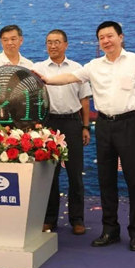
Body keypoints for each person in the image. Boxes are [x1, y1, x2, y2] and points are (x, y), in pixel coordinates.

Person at [39, 21, 135, 252]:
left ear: (120, 37)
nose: (106, 41)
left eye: (110, 36)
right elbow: (69, 77)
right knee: (106, 180)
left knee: (134, 181)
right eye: (101, 37)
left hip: (130, 124)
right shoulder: (93, 66)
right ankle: (110, 230)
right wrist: (47, 80)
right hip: (103, 125)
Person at [33, 29, 91, 235]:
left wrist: (85, 127)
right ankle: (49, 219)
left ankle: (77, 219)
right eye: (49, 42)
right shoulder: (38, 69)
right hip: (48, 124)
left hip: (72, 123)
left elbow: (85, 100)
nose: (53, 46)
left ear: (66, 44)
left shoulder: (77, 69)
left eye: (57, 42)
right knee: (49, 174)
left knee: (75, 174)